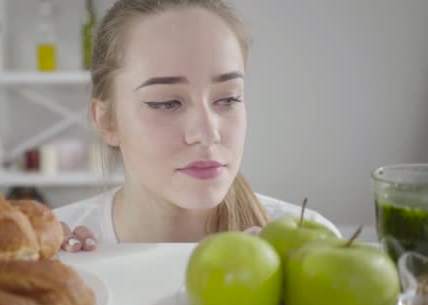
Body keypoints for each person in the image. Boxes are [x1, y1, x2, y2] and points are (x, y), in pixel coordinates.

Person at [55, 0, 341, 252]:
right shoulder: (53, 246)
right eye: (167, 103)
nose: (207, 133)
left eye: (228, 98)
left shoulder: (311, 244)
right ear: (107, 120)